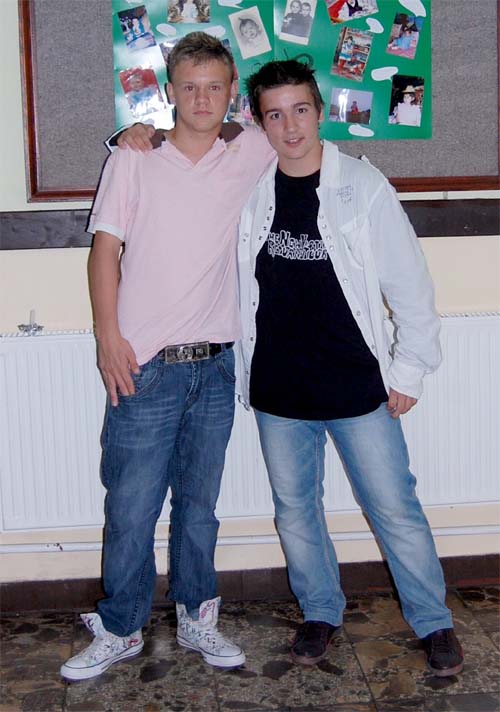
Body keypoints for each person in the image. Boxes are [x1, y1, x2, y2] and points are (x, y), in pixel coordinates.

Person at [236, 59, 464, 677]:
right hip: (278, 388)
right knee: (295, 510)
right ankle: (320, 611)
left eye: (300, 110)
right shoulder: (250, 188)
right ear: (259, 122)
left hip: (357, 386)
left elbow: (409, 284)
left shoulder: (362, 186)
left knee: (394, 507)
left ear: (320, 111)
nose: (290, 127)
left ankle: (433, 620)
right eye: (274, 115)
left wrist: (410, 369)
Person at [60, 32, 274, 682]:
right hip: (144, 365)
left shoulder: (253, 149)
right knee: (130, 508)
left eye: (214, 87)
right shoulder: (135, 157)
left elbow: (302, 140)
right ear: (170, 92)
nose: (202, 99)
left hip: (216, 365)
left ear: (231, 92)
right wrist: (107, 337)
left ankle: (197, 615)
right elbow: (105, 249)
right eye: (189, 87)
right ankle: (121, 627)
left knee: (199, 507)